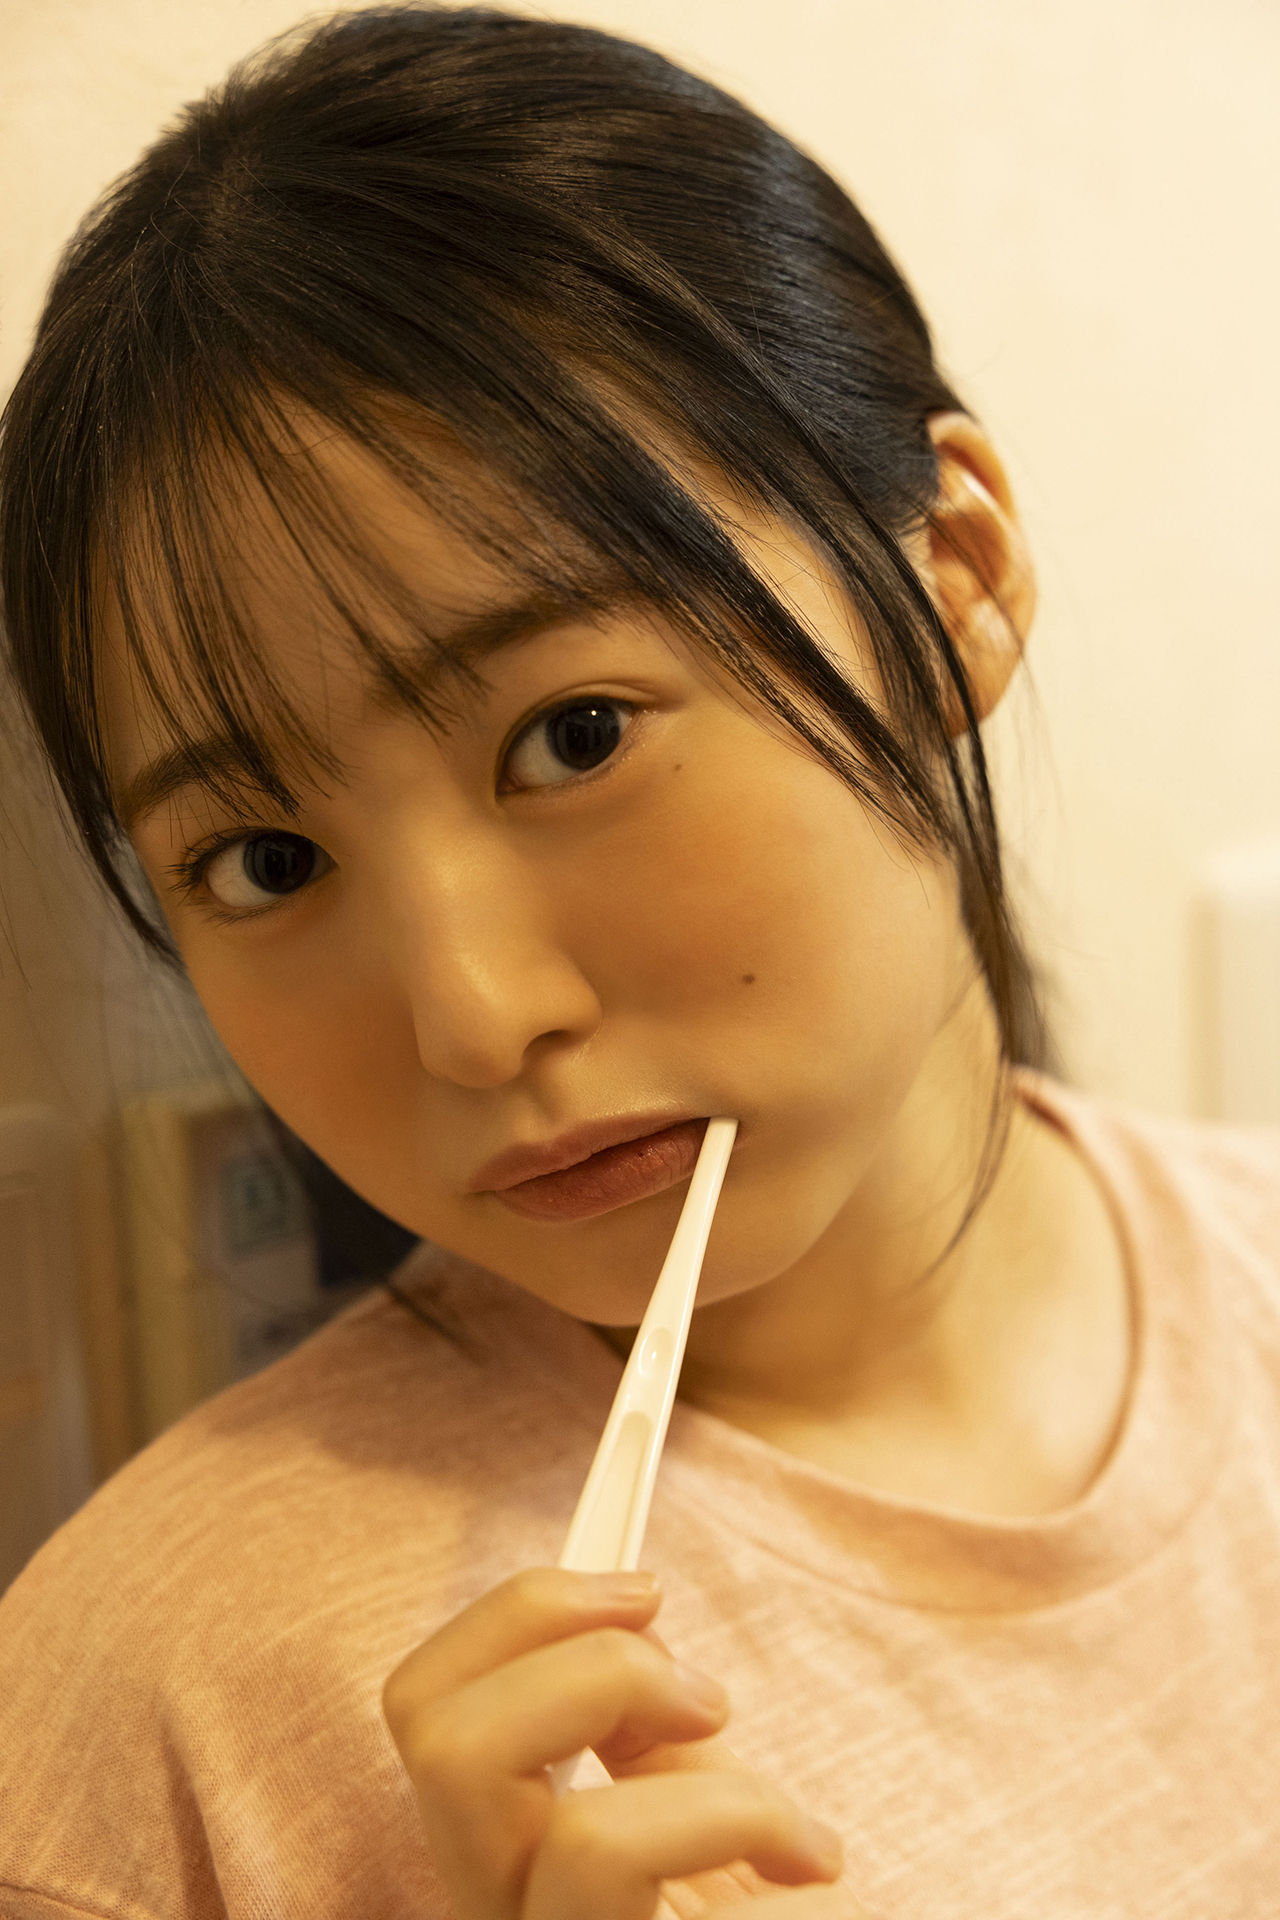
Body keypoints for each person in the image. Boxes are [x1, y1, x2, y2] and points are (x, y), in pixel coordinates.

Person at [1, 6, 1278, 1916]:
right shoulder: (145, 1727)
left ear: (951, 586)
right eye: (266, 862)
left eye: (573, 735)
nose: (474, 1017)